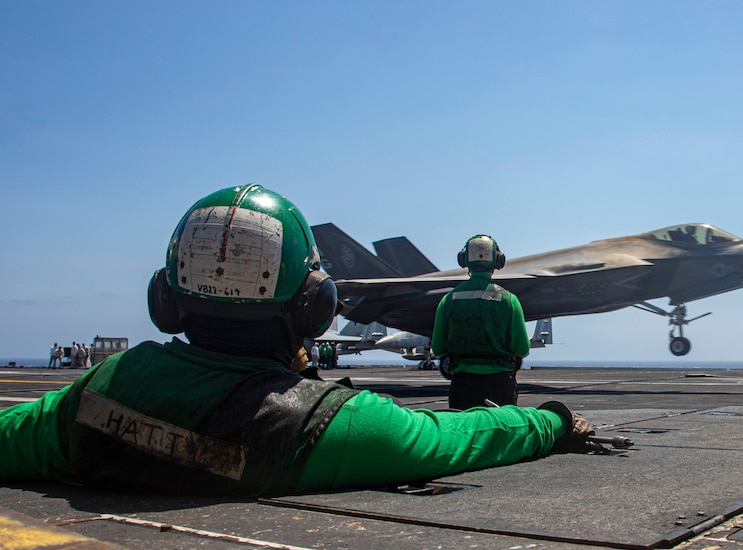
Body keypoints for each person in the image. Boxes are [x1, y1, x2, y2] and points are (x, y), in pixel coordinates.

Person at [0, 184, 595, 497]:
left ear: (167, 297)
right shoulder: (329, 426)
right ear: (314, 307)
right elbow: (455, 437)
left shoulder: (90, 394)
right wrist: (550, 421)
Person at [431, 234, 531, 409]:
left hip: (462, 384)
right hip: (500, 385)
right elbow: (522, 348)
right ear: (498, 261)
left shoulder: (448, 300)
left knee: (463, 434)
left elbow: (438, 348)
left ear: (463, 260)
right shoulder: (509, 300)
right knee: (502, 433)